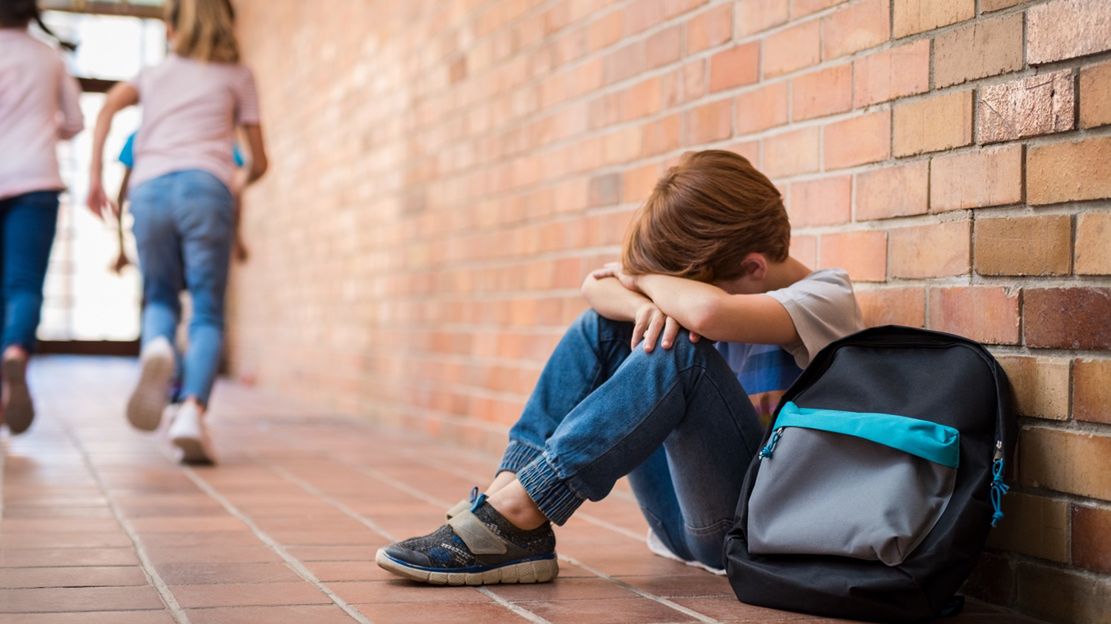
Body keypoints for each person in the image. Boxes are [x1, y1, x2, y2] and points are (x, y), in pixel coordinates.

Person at [375, 150, 864, 585]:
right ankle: (510, 510)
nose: (677, 293)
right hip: (679, 521)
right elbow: (595, 287)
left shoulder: (826, 297)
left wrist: (641, 280)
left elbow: (707, 312)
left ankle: (521, 507)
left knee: (680, 352)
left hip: (748, 529)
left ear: (754, 268)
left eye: (691, 285)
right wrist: (638, 300)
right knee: (605, 325)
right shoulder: (715, 291)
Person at [86, 0, 267, 463]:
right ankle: (190, 411)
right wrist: (235, 182)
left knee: (160, 298)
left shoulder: (152, 74)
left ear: (171, 28)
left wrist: (92, 180)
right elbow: (260, 161)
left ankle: (159, 346)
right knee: (206, 310)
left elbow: (107, 107)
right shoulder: (237, 75)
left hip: (148, 190)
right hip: (206, 188)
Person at [0, 0, 83, 435]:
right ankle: (15, 352)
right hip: (36, 180)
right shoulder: (50, 57)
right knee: (24, 285)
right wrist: (44, 126)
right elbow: (74, 121)